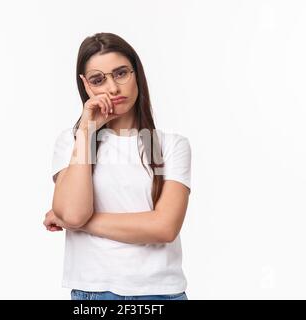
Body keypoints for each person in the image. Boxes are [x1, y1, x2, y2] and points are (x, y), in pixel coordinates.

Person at [43, 32, 192, 300]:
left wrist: (75, 221)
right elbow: (75, 214)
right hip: (95, 293)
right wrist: (87, 131)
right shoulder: (71, 141)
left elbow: (165, 227)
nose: (112, 88)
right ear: (86, 85)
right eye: (98, 80)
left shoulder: (171, 145)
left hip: (161, 294)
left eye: (121, 73)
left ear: (137, 73)